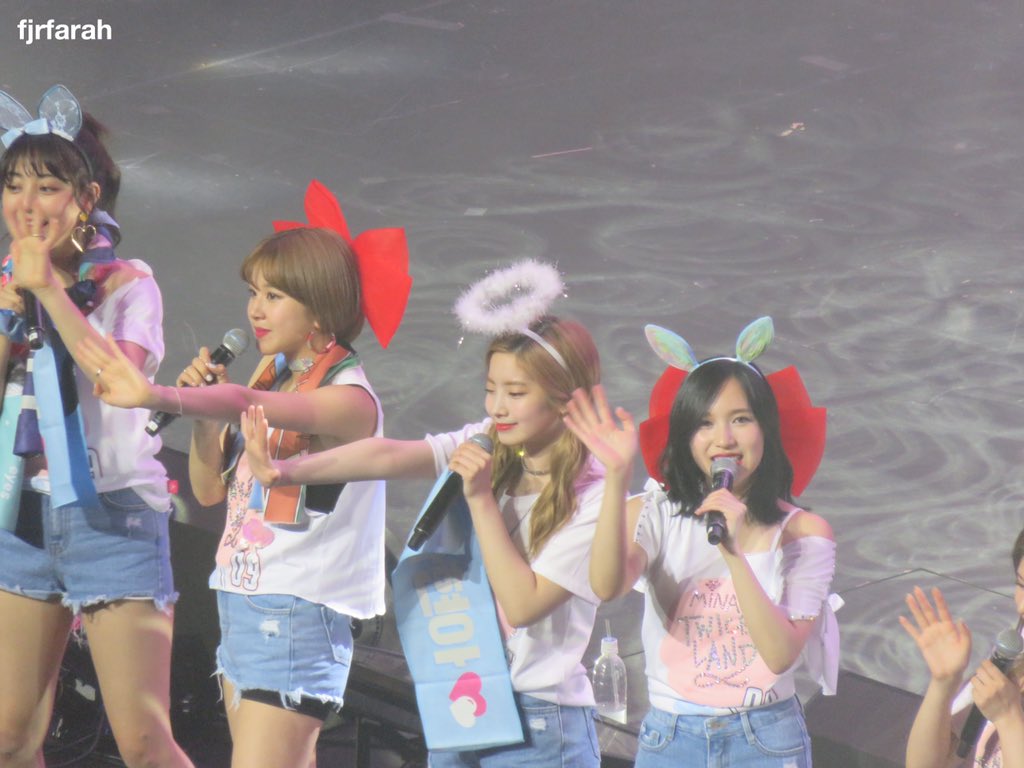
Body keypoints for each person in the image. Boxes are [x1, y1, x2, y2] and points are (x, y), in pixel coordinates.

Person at [77, 179, 412, 768]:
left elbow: (257, 406)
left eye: (274, 295)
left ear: (320, 309)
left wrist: (160, 395)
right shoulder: (269, 375)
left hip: (296, 614)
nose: (255, 309)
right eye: (254, 292)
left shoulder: (349, 398)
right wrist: (206, 420)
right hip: (243, 601)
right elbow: (209, 490)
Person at [236, 260, 606, 766]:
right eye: (491, 389)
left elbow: (522, 605)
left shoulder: (593, 495)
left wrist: (480, 499)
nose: (497, 407)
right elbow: (388, 455)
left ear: (565, 400)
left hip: (541, 721)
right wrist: (287, 472)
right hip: (462, 700)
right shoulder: (486, 442)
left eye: (516, 394)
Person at [0, 85, 194, 767]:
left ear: (86, 198)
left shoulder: (130, 284)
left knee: (143, 744)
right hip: (22, 516)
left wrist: (50, 291)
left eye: (47, 186)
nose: (26, 204)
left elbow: (121, 383)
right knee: (10, 738)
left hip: (113, 519)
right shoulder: (4, 286)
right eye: (14, 185)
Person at [564, 317, 836, 768]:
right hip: (672, 739)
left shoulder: (804, 533)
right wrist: (616, 478)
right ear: (685, 436)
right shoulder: (655, 512)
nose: (723, 439)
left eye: (741, 419)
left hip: (765, 739)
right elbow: (606, 587)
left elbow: (779, 656)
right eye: (705, 423)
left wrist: (734, 554)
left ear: (766, 428)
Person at [901, 527, 1024, 768]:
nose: (1021, 607)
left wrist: (1009, 719)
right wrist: (943, 684)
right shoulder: (1013, 664)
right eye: (1021, 584)